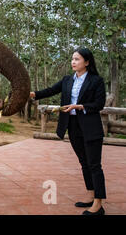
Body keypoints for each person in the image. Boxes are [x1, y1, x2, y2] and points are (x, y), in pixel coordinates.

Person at [30, 48, 106, 215]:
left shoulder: (96, 81)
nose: (73, 62)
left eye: (77, 59)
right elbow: (51, 90)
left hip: (90, 127)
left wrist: (80, 106)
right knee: (84, 162)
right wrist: (33, 94)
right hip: (72, 126)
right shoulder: (67, 80)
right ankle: (91, 195)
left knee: (94, 165)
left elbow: (99, 104)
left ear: (87, 62)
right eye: (72, 59)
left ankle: (98, 204)